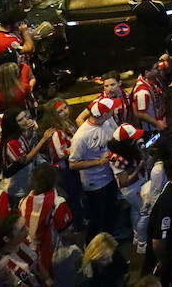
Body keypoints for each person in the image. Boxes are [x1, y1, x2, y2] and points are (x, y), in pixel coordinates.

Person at [69, 96, 121, 237]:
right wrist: (98, 162)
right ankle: (91, 246)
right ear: (103, 114)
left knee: (111, 209)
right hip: (95, 183)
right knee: (97, 217)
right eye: (111, 109)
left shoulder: (107, 121)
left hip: (110, 176)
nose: (115, 110)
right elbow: (73, 164)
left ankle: (109, 239)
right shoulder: (81, 137)